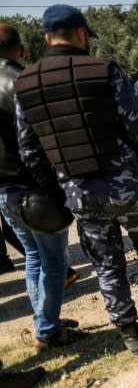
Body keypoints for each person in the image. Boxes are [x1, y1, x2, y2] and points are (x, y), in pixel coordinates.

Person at [14, 4, 138, 354]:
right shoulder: (103, 70)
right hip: (125, 185)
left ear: (45, 38)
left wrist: (57, 186)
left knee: (106, 261)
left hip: (78, 191)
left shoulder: (26, 83)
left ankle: (129, 331)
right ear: (81, 34)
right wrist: (133, 166)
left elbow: (29, 151)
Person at [0, 21, 82, 351]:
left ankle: (43, 321)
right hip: (35, 190)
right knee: (53, 262)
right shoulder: (23, 83)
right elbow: (45, 138)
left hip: (5, 194)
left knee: (34, 257)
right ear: (21, 51)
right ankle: (47, 331)